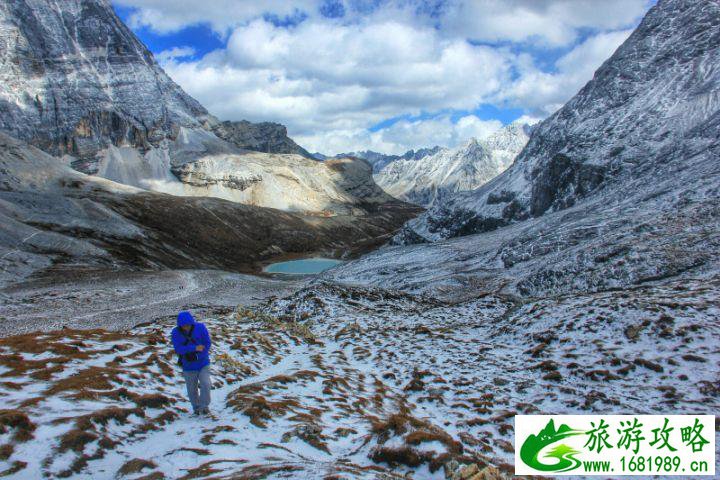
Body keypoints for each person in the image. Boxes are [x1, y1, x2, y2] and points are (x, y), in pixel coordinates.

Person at [171, 311, 212, 415]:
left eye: (188, 325)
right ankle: (196, 408)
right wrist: (194, 348)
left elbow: (207, 343)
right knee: (191, 389)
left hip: (203, 363)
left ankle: (205, 406)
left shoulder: (200, 327)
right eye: (184, 326)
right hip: (188, 365)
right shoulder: (175, 332)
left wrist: (198, 355)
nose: (186, 327)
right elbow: (178, 349)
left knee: (206, 384)